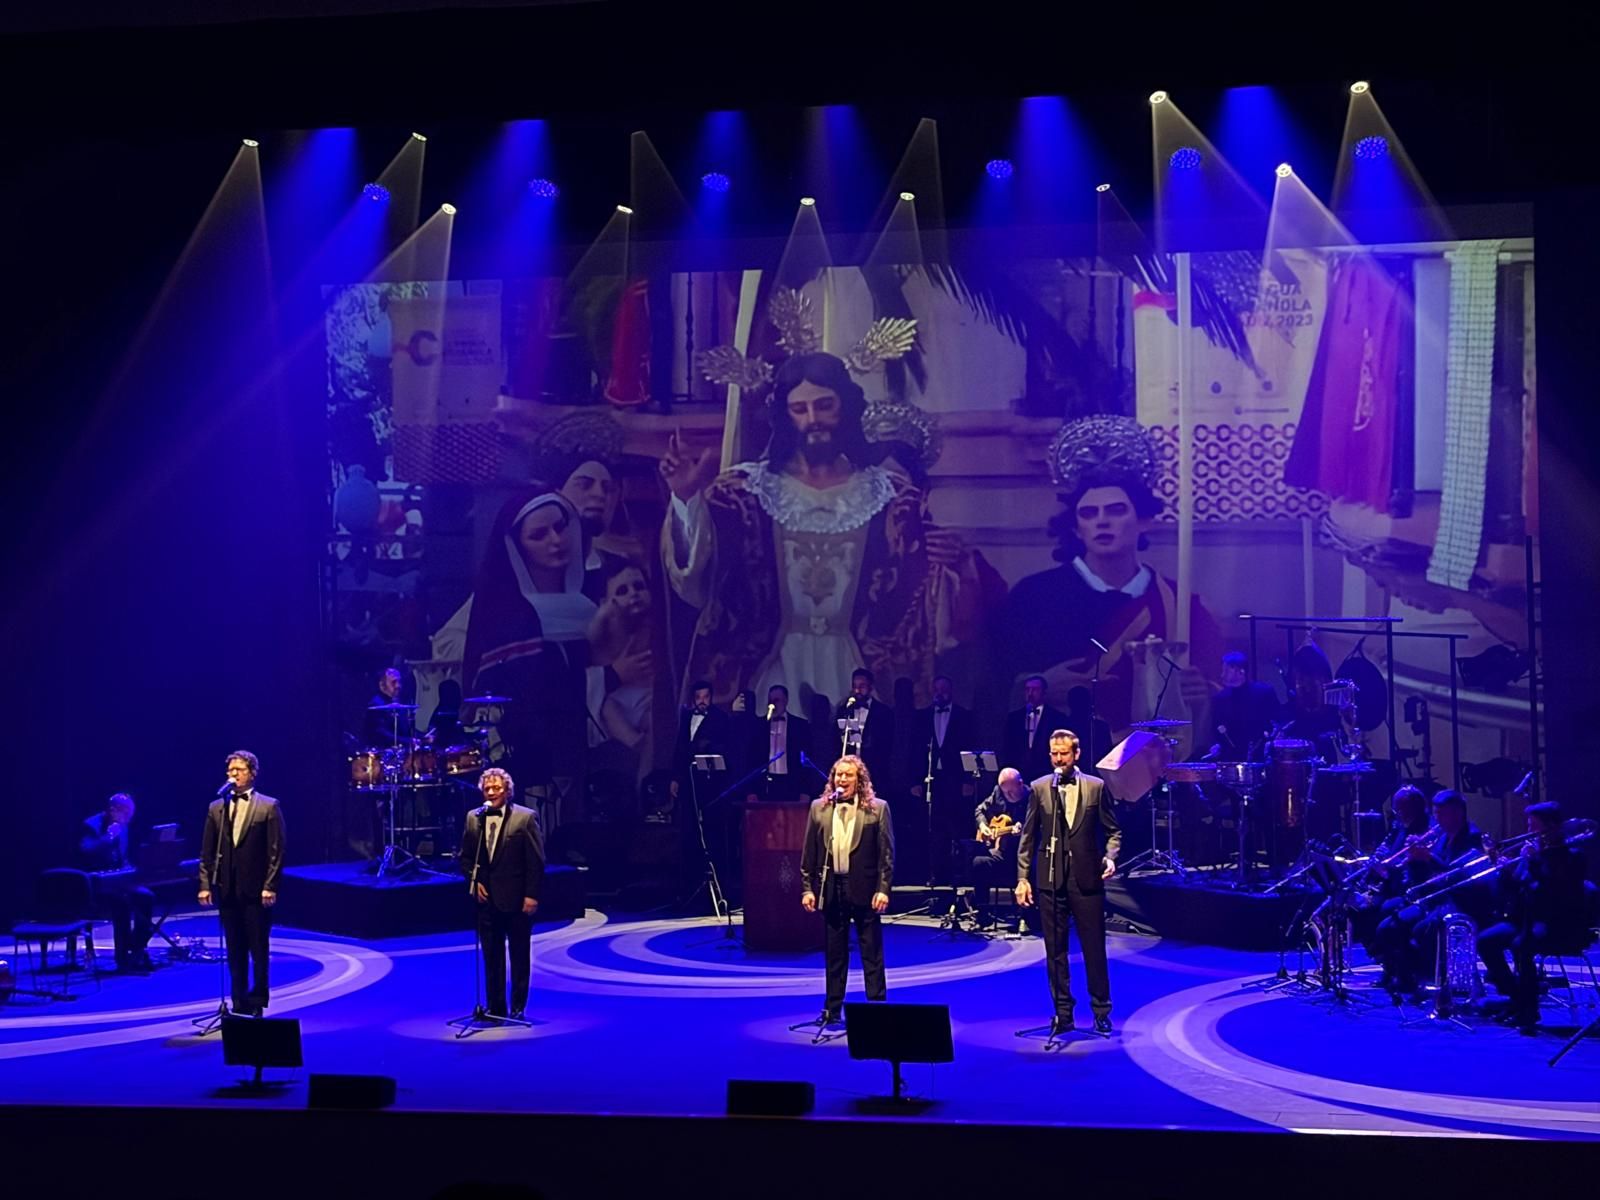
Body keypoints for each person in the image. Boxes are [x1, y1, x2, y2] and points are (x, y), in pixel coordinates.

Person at [660, 351, 966, 709]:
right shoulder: (743, 493)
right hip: (767, 668)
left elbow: (917, 597)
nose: (813, 420)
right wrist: (685, 499)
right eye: (799, 409)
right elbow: (698, 579)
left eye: (824, 406)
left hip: (858, 668)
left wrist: (947, 562)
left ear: (845, 407)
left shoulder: (892, 497)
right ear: (784, 415)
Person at [993, 416, 1221, 746]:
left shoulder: (1179, 604)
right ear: (1076, 528)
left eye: (1116, 510)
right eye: (1089, 513)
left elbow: (1215, 690)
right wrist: (1039, 687)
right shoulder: (1032, 598)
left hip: (1152, 760)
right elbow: (994, 687)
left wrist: (1201, 696)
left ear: (1143, 521)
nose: (1102, 522)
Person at [461, 491, 598, 797]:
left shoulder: (593, 606)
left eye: (560, 527)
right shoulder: (507, 618)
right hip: (532, 763)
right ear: (516, 546)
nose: (556, 540)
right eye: (539, 535)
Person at [1015, 730, 1122, 1035]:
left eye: (1063, 753)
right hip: (1050, 879)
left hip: (1086, 879)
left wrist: (1110, 856)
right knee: (1055, 950)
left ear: (1076, 754)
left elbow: (1113, 831)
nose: (1058, 759)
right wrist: (1022, 878)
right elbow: (1027, 837)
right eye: (1054, 753)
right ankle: (1063, 1013)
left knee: (1093, 948)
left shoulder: (1095, 787)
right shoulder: (1040, 788)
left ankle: (1101, 1009)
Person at [1478, 802, 1596, 1032]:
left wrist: (1533, 862)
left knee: (1522, 945)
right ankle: (1516, 998)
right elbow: (1520, 887)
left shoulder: (1572, 856)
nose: (1529, 831)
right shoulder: (1533, 853)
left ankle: (1528, 1012)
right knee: (1486, 941)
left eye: (1534, 826)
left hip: (1559, 924)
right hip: (1528, 919)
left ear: (1551, 826)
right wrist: (1506, 871)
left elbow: (1553, 891)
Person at [800, 755, 894, 1026]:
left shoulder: (877, 809)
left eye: (848, 775)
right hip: (832, 888)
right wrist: (807, 889)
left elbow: (887, 854)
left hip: (865, 888)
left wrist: (883, 889)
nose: (842, 779)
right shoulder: (819, 808)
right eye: (838, 775)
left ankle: (877, 1010)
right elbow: (809, 854)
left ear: (859, 780)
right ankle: (832, 1010)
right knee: (835, 954)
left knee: (871, 953)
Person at [1373, 789, 1489, 997]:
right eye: (1436, 813)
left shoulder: (1471, 837)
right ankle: (1408, 978)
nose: (1437, 820)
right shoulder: (1443, 836)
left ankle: (1434, 982)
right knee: (1388, 928)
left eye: (1442, 814)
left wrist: (1428, 857)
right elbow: (1429, 874)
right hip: (1436, 899)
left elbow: (1458, 874)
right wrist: (1413, 858)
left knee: (1422, 931)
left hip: (1461, 901)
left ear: (1458, 813)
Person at [198, 751, 285, 1017]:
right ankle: (238, 1001)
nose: (233, 774)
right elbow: (207, 851)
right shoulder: (217, 808)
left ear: (252, 773)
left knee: (258, 948)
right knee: (234, 949)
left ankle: (257, 1000)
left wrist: (270, 885)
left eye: (239, 770)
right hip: (228, 889)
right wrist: (205, 884)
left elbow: (276, 851)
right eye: (230, 770)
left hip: (257, 890)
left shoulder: (268, 806)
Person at [458, 768, 544, 1020]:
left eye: (496, 787)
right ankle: (495, 1007)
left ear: (507, 790)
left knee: (519, 955)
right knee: (491, 956)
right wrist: (474, 881)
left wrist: (531, 895)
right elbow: (465, 857)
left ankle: (518, 1008)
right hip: (486, 901)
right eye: (487, 788)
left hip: (516, 898)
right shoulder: (474, 818)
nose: (491, 792)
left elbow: (536, 861)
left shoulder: (524, 818)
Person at [906, 674, 977, 883]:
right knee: (933, 827)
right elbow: (914, 751)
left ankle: (959, 873)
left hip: (955, 780)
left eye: (944, 689)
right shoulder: (922, 716)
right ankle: (935, 872)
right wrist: (915, 781)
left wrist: (968, 781)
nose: (940, 693)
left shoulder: (964, 716)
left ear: (951, 690)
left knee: (957, 825)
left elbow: (971, 747)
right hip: (931, 779)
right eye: (936, 689)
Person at [79, 792, 154, 972]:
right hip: (97, 883)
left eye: (131, 813)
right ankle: (122, 958)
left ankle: (137, 947)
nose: (129, 818)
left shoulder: (124, 826)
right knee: (121, 904)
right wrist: (108, 837)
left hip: (120, 880)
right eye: (126, 813)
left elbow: (122, 857)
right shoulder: (92, 825)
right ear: (113, 810)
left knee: (147, 897)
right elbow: (86, 851)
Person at [970, 768, 1029, 918]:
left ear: (1020, 784)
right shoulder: (998, 792)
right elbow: (979, 810)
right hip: (1002, 852)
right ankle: (982, 913)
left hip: (1023, 855)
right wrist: (983, 826)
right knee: (978, 862)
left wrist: (1022, 832)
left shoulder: (1032, 797)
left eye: (1011, 791)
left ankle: (1028, 915)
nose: (1008, 795)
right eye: (1005, 792)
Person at [1205, 652, 1281, 761]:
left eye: (1226, 671)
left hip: (1261, 755)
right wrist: (1215, 745)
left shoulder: (1264, 693)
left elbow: (1276, 722)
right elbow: (1216, 729)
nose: (1222, 675)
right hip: (1229, 758)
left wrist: (1271, 741)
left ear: (1241, 671)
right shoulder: (1220, 699)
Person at [835, 668, 895, 792]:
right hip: (849, 771)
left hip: (875, 772)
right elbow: (836, 739)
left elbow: (888, 745)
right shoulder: (844, 710)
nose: (857, 690)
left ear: (870, 687)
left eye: (862, 686)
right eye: (854, 686)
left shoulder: (884, 712)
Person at [1002, 675, 1069, 787]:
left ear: (1044, 692)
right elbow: (1008, 746)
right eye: (1027, 689)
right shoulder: (1014, 718)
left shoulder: (1057, 718)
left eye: (1035, 689)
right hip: (1020, 772)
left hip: (1045, 771)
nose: (1030, 693)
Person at [750, 684, 811, 803]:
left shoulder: (800, 726)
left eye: (776, 700)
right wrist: (752, 791)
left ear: (786, 701)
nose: (772, 705)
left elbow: (807, 761)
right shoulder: (760, 726)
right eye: (770, 701)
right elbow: (753, 759)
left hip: (792, 783)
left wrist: (805, 791)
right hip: (766, 784)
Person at [363, 667, 414, 746]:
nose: (398, 685)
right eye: (393, 682)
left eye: (399, 681)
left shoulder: (397, 703)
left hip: (400, 749)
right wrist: (406, 741)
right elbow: (380, 734)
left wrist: (422, 738)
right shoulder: (376, 704)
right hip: (384, 751)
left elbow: (404, 731)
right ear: (382, 685)